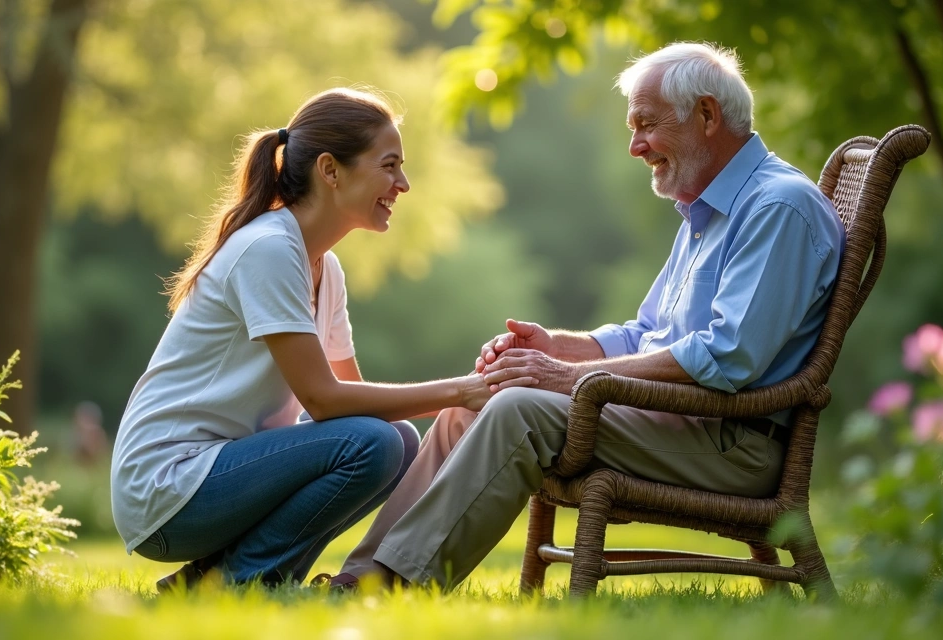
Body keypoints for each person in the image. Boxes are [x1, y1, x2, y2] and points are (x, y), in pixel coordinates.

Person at [333, 42, 846, 590]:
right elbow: (646, 334)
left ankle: (392, 588)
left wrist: (568, 377)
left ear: (706, 115)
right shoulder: (710, 209)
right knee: (474, 401)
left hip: (732, 444)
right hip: (676, 420)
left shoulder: (776, 207)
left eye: (647, 124)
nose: (635, 146)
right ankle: (357, 579)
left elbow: (728, 357)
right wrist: (556, 347)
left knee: (518, 410)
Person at [110, 88, 519, 590]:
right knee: (375, 444)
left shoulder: (325, 267)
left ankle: (216, 582)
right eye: (389, 166)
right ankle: (239, 581)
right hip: (167, 488)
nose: (403, 184)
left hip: (217, 475)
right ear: (330, 170)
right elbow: (324, 401)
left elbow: (353, 402)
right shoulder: (268, 249)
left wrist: (464, 399)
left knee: (395, 440)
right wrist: (461, 391)